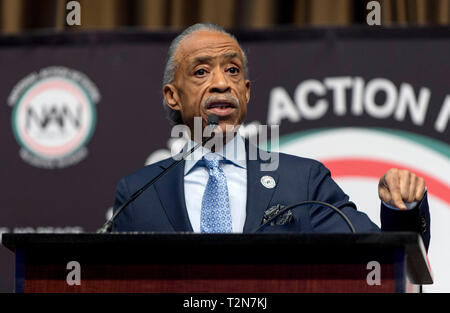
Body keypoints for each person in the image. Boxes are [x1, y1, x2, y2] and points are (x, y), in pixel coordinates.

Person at [112, 23, 430, 249]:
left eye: (233, 70)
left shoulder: (302, 180)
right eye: (201, 71)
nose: (222, 83)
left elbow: (380, 260)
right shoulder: (138, 193)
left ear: (246, 93)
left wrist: (402, 208)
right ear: (173, 96)